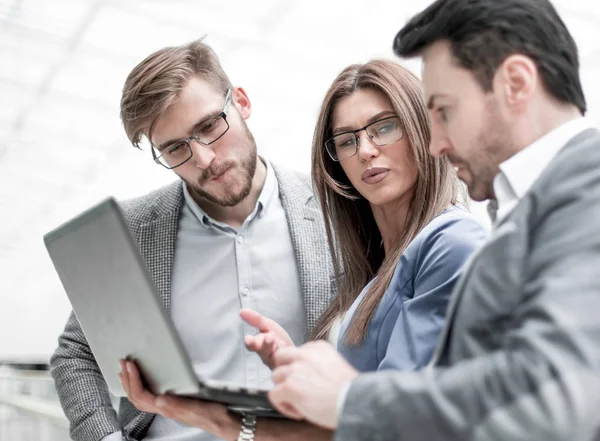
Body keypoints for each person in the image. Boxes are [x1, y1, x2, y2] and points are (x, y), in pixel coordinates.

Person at [262, 1, 600, 441]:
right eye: (346, 141)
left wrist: (348, 398)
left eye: (442, 110)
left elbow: (551, 398)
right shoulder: (531, 210)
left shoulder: (586, 188)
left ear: (516, 83)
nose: (435, 143)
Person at [119, 59, 486, 439]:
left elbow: (392, 425)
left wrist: (212, 418)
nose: (365, 151)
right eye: (346, 140)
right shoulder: (377, 262)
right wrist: (297, 363)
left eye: (384, 127)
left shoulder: (451, 244)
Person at [49, 39, 335, 441]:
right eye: (175, 149)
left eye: (208, 127)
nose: (203, 159)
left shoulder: (334, 214)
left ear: (242, 102)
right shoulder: (135, 230)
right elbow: (75, 353)